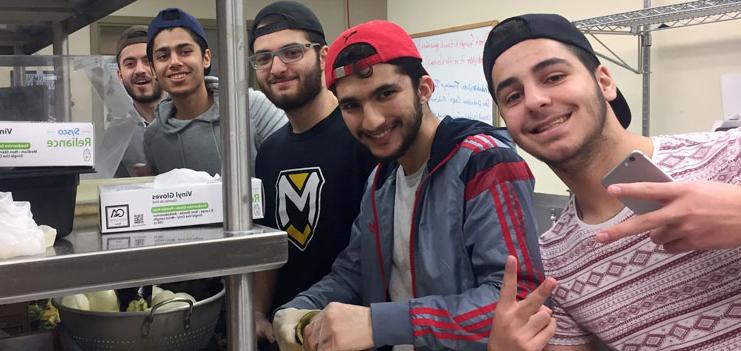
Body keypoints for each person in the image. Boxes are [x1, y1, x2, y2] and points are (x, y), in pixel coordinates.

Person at [272, 19, 544, 351]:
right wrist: (299, 308)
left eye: (386, 94)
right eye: (351, 106)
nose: (371, 120)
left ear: (424, 88)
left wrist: (379, 324)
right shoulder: (380, 181)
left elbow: (517, 303)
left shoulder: (484, 164)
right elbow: (354, 273)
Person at [482, 13, 741, 351]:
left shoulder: (728, 154)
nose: (534, 100)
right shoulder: (556, 258)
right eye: (513, 97)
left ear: (604, 81)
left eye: (554, 77)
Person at [246, 2, 376, 346]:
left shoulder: (365, 135)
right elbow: (270, 244)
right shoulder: (270, 152)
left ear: (323, 56)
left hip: (353, 333)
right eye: (263, 58)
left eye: (291, 52)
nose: (277, 68)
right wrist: (258, 312)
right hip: (287, 331)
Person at [144, 8, 286, 176]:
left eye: (185, 52)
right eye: (163, 56)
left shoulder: (251, 107)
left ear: (206, 58)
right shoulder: (153, 138)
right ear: (153, 69)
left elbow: (292, 166)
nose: (174, 62)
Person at [113, 25, 163, 177]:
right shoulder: (117, 137)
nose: (140, 70)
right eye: (130, 64)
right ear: (120, 75)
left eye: (147, 61)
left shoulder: (190, 120)